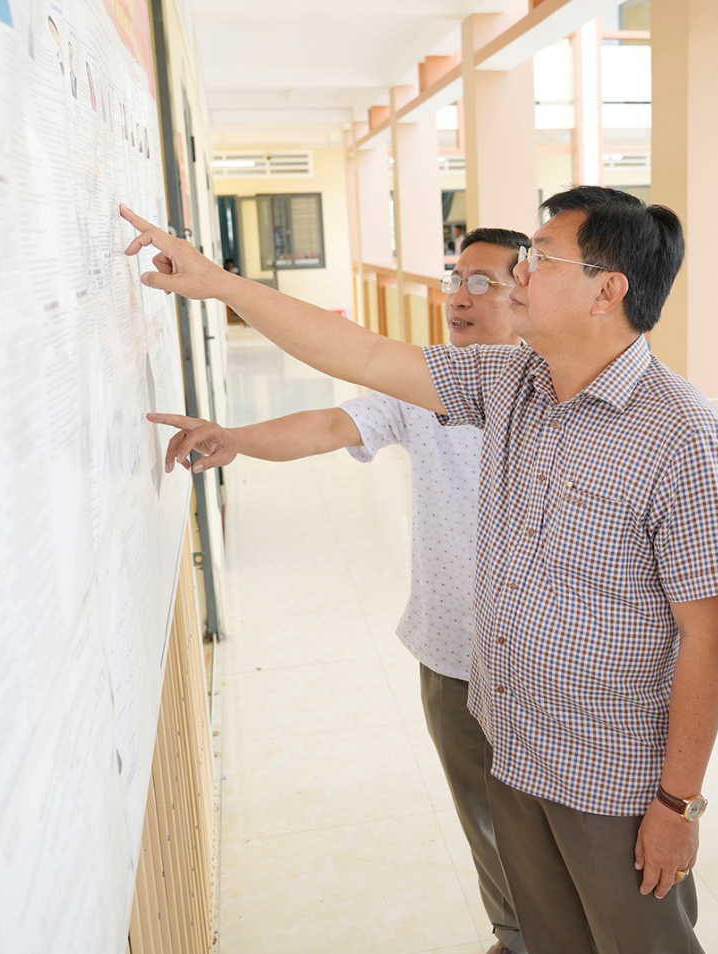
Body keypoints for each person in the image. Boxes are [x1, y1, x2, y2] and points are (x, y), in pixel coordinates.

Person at [122, 185, 718, 954]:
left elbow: (708, 635)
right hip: (513, 744)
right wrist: (219, 284)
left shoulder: (681, 436)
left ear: (606, 291)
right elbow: (361, 354)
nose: (520, 273)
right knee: (549, 939)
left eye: (540, 258)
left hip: (608, 773)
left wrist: (677, 804)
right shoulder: (512, 382)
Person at [150, 228, 531, 954]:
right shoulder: (426, 384)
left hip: (543, 661)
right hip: (450, 648)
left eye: (483, 282)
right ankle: (514, 935)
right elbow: (331, 423)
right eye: (455, 278)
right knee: (481, 814)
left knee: (550, 822)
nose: (459, 296)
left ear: (528, 292)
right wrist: (237, 438)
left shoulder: (553, 391)